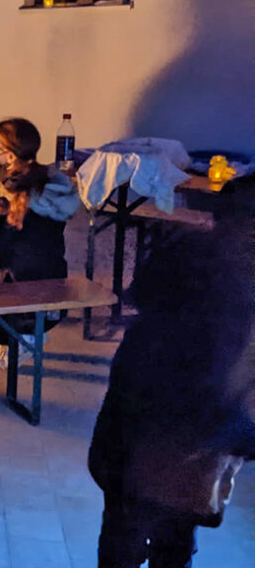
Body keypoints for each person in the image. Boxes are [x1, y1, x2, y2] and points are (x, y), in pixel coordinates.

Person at [88, 218, 254, 568]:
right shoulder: (221, 344)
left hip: (124, 468)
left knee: (121, 545)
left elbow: (124, 403)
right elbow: (212, 412)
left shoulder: (147, 332)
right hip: (180, 478)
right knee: (174, 547)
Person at [0, 118, 79, 369]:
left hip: (16, 302)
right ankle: (30, 333)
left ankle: (15, 337)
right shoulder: (51, 185)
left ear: (10, 157)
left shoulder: (4, 200)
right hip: (53, 291)